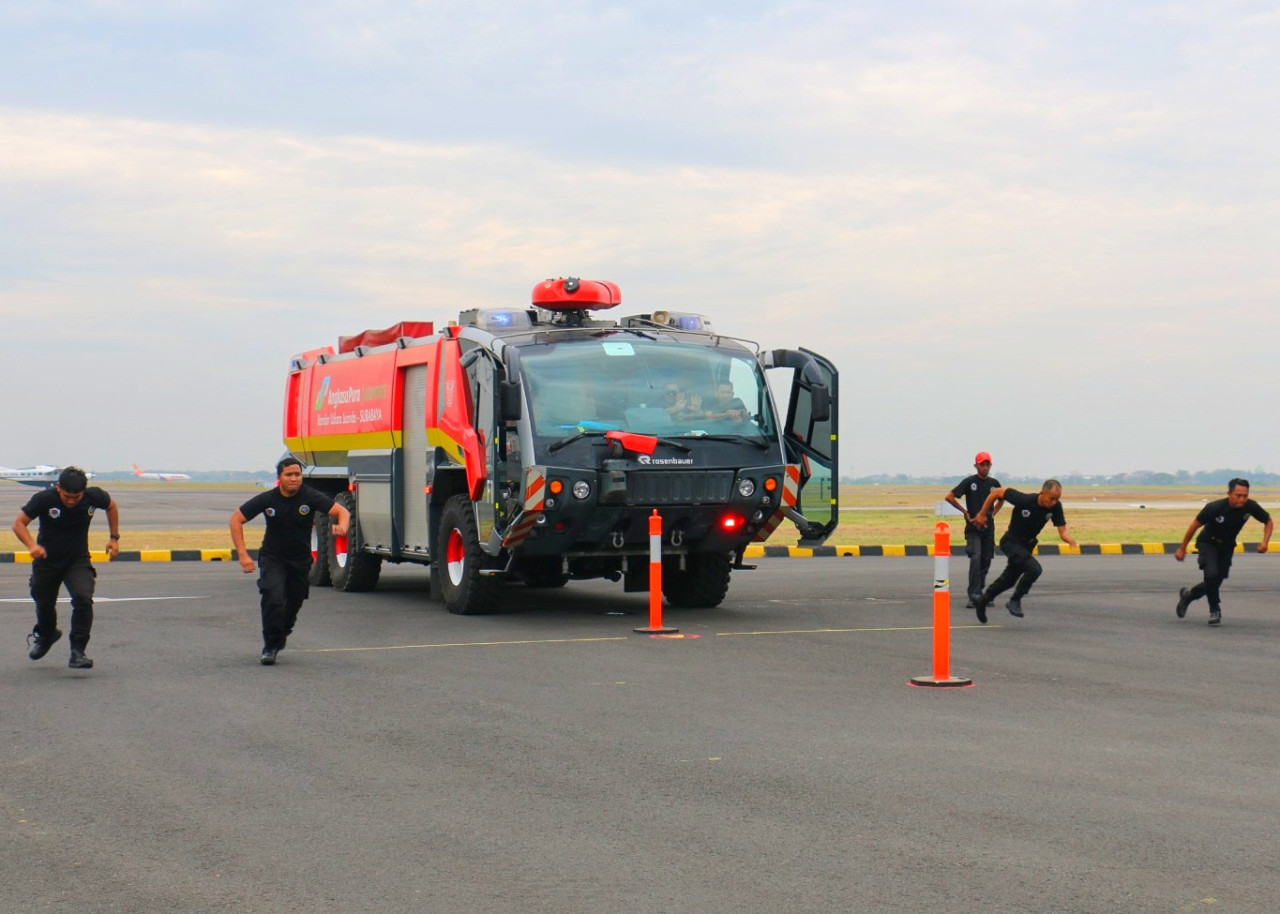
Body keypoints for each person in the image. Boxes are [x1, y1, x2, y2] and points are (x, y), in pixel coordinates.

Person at [229, 457, 349, 665]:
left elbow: (342, 511)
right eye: (289, 475)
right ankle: (270, 646)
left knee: (293, 603)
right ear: (279, 478)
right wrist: (242, 554)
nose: (294, 479)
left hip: (300, 561)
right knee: (273, 598)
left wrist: (343, 527)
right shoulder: (268, 499)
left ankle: (282, 632)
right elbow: (236, 520)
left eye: (297, 475)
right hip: (273, 558)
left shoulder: (309, 497)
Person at [12, 466, 119, 669]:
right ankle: (47, 634)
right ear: (59, 487)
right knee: (43, 601)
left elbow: (111, 507)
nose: (71, 501)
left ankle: (78, 651)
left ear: (84, 492)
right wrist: (32, 546)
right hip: (47, 560)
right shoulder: (44, 499)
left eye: (76, 497)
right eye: (67, 496)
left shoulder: (94, 496)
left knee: (83, 598)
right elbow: (19, 524)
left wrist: (114, 538)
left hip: (76, 560)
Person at [971, 479, 1078, 624]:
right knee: (1034, 569)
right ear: (1042, 493)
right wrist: (983, 514)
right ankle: (1015, 600)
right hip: (1011, 542)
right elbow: (997, 492)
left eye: (1057, 499)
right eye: (1051, 498)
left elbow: (1062, 531)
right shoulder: (1024, 500)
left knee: (1008, 580)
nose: (1054, 502)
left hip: (1026, 546)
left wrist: (1071, 541)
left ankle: (983, 601)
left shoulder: (1055, 507)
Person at [1174, 478, 1272, 625]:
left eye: (1245, 496)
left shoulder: (1251, 506)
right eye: (1238, 495)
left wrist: (1265, 542)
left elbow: (1268, 521)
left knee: (1215, 581)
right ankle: (1215, 609)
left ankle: (1188, 596)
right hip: (1208, 543)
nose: (1242, 499)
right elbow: (1194, 525)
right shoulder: (1215, 508)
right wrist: (1182, 548)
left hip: (1226, 546)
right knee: (1211, 574)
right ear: (1229, 494)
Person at [944, 451, 1003, 608]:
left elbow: (1002, 499)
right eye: (981, 464)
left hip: (988, 528)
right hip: (973, 528)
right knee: (976, 559)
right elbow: (949, 496)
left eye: (987, 464)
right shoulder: (970, 482)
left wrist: (993, 514)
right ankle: (974, 595)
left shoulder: (994, 484)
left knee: (986, 560)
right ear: (976, 465)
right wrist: (965, 512)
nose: (984, 467)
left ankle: (981, 593)